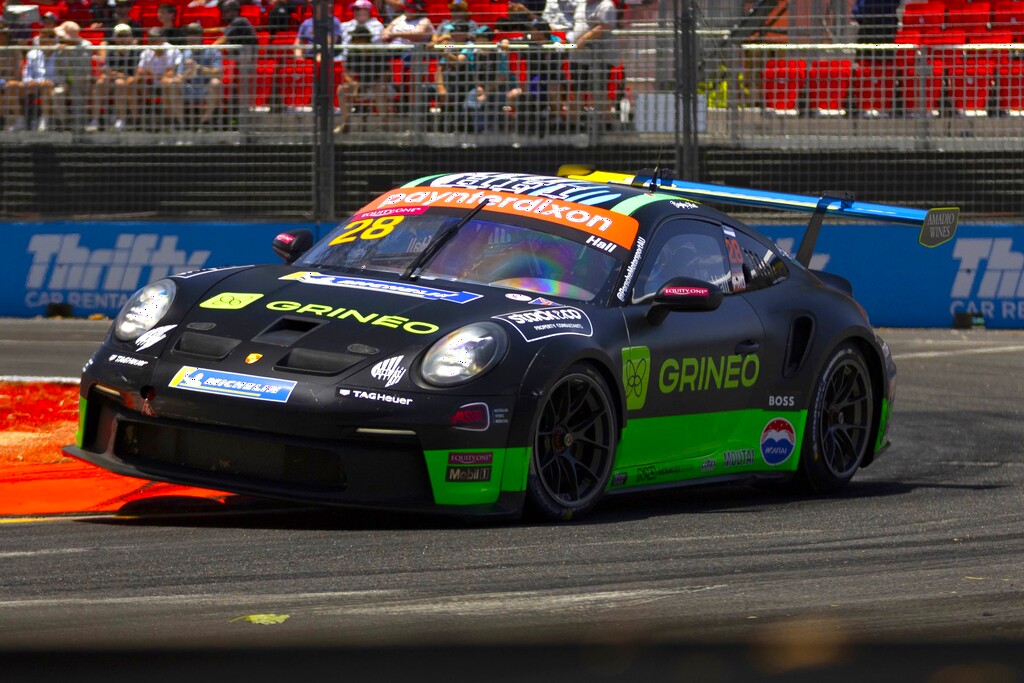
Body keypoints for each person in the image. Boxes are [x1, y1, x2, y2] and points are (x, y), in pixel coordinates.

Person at [566, 0, 615, 126]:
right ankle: (574, 125)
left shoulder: (606, 5)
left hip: (600, 57)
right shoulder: (581, 5)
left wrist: (583, 39)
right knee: (577, 90)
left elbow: (604, 27)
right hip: (579, 57)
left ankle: (605, 125)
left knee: (599, 90)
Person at [334, 23, 390, 133]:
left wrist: (373, 85)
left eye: (355, 38)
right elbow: (347, 74)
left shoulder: (378, 52)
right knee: (342, 89)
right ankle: (346, 124)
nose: (353, 40)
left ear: (363, 39)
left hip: (379, 86)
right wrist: (354, 84)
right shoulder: (353, 53)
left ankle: (384, 125)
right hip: (360, 86)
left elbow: (387, 74)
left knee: (381, 89)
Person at [88, 22, 139, 131]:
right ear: (114, 37)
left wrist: (115, 74)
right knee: (101, 82)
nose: (123, 39)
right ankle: (95, 119)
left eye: (125, 35)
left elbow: (133, 75)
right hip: (114, 80)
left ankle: (121, 119)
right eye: (120, 36)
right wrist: (114, 74)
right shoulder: (111, 51)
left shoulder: (135, 51)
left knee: (120, 83)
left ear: (130, 36)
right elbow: (107, 70)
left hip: (130, 83)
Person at [136, 26, 184, 128]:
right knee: (134, 82)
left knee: (167, 82)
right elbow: (140, 72)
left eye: (156, 39)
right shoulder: (146, 52)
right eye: (151, 39)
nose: (154, 42)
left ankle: (171, 121)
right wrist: (154, 75)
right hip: (151, 85)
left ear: (163, 39)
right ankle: (136, 121)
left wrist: (151, 74)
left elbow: (171, 73)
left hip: (172, 84)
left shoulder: (173, 50)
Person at [53, 21, 94, 133]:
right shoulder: (60, 47)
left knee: (77, 93)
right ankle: (66, 122)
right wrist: (64, 82)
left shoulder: (86, 45)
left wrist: (71, 51)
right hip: (66, 83)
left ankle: (80, 126)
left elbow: (84, 69)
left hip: (82, 82)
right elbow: (58, 69)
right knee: (57, 93)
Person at [180, 22, 222, 128]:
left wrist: (199, 68)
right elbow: (179, 76)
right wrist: (187, 74)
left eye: (195, 34)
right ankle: (178, 123)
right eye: (189, 34)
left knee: (216, 83)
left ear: (201, 36)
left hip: (206, 88)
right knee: (173, 83)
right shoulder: (185, 53)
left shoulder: (212, 50)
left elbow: (218, 72)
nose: (192, 38)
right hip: (190, 88)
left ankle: (205, 122)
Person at [18, 27, 59, 131]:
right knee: (13, 86)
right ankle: (20, 120)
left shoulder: (59, 53)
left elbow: (59, 74)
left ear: (52, 40)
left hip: (52, 84)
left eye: (44, 38)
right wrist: (29, 80)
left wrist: (47, 81)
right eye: (41, 38)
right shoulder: (32, 53)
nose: (40, 40)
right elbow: (27, 72)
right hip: (34, 83)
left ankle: (44, 120)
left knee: (45, 85)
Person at [0, 20, 27, 131]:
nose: (1, 37)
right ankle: (5, 121)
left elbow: (17, 72)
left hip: (14, 82)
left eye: (3, 34)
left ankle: (19, 120)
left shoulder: (14, 50)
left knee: (9, 86)